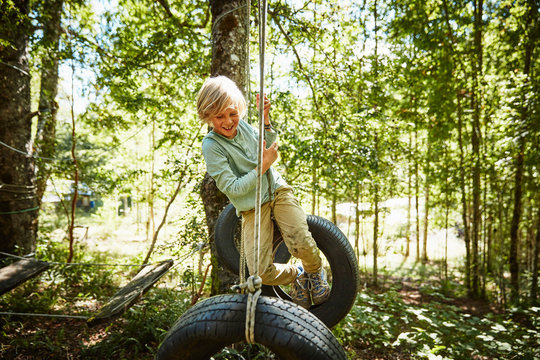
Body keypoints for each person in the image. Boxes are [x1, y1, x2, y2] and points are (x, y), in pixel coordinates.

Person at [198, 75, 330, 309]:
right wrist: (263, 166)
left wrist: (265, 118)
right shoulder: (211, 146)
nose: (228, 122)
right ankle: (297, 275)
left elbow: (267, 142)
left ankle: (315, 272)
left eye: (233, 114)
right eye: (219, 117)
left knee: (300, 242)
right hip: (251, 206)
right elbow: (233, 188)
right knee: (260, 272)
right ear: (207, 116)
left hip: (276, 191)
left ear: (239, 110)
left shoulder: (245, 128)